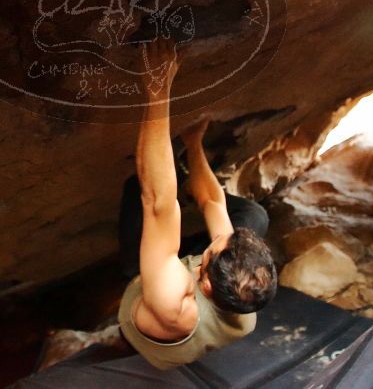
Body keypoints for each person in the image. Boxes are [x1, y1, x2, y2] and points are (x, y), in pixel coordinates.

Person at [116, 37, 277, 370]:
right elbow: (213, 202)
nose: (223, 235)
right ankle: (181, 165)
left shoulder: (171, 299)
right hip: (195, 280)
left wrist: (158, 89)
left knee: (139, 187)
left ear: (204, 283)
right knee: (253, 215)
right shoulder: (245, 308)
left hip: (148, 287)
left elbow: (158, 201)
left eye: (219, 245)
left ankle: (171, 167)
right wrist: (194, 143)